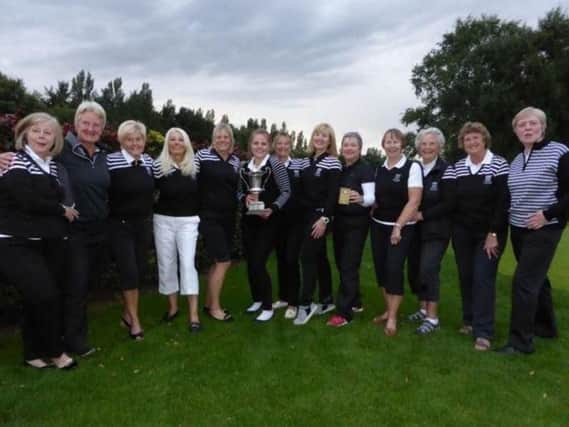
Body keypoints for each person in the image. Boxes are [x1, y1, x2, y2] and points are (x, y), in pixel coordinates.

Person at [0, 113, 78, 369]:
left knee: (36, 298)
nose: (42, 136)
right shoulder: (15, 161)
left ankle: (32, 353)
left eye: (48, 132)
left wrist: (62, 210)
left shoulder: (52, 165)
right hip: (15, 242)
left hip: (47, 241)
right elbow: (26, 200)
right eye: (36, 131)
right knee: (46, 296)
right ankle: (56, 352)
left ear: (55, 138)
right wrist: (61, 211)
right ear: (24, 134)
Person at [496, 107, 569, 354]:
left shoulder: (560, 152)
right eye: (522, 125)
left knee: (524, 282)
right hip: (518, 228)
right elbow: (510, 196)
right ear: (516, 131)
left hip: (545, 228)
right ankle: (546, 326)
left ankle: (520, 343)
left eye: (532, 124)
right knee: (539, 280)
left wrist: (548, 215)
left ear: (542, 127)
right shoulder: (516, 160)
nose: (527, 128)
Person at [443, 122, 509, 351]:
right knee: (466, 276)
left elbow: (503, 203)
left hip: (490, 233)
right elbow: (451, 201)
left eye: (475, 138)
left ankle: (484, 332)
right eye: (467, 139)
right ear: (463, 143)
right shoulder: (456, 168)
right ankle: (469, 320)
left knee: (483, 279)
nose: (471, 142)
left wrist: (493, 233)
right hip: (462, 232)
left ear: (484, 140)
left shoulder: (499, 164)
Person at [58, 101, 109, 356]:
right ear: (76, 124)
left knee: (83, 286)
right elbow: (31, 158)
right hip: (73, 230)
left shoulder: (102, 154)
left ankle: (68, 332)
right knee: (75, 287)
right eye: (86, 123)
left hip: (98, 230)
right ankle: (73, 342)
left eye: (96, 124)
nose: (90, 128)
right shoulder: (61, 150)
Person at [370, 129, 423, 336]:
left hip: (401, 227)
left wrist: (398, 226)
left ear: (403, 145)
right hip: (378, 225)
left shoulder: (412, 167)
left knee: (394, 268)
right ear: (383, 145)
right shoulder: (379, 169)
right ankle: (388, 310)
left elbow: (414, 200)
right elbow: (376, 197)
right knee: (381, 270)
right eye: (388, 142)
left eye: (395, 142)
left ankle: (392, 317)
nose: (391, 145)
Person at [107, 120, 155, 340]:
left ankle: (127, 313)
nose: (135, 143)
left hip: (143, 225)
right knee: (129, 273)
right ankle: (135, 323)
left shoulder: (148, 162)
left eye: (139, 139)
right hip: (120, 226)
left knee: (140, 270)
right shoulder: (111, 161)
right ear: (121, 141)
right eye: (129, 139)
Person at [153, 128, 201, 332]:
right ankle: (172, 308)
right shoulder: (158, 165)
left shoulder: (195, 165)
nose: (176, 143)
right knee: (166, 263)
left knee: (188, 264)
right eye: (172, 140)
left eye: (180, 139)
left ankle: (194, 315)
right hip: (163, 220)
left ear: (186, 142)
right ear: (167, 143)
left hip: (188, 221)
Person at [239, 129, 290, 322]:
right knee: (251, 262)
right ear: (250, 146)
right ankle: (257, 299)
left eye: (263, 143)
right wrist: (245, 198)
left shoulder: (275, 164)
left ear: (268, 146)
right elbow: (238, 192)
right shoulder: (244, 167)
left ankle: (268, 306)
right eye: (255, 143)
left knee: (259, 262)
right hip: (249, 220)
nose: (259, 147)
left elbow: (286, 191)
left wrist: (273, 208)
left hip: (269, 221)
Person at [294, 123, 341, 325]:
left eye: (324, 136)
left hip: (320, 217)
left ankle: (305, 304)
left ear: (329, 141)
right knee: (320, 257)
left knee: (307, 257)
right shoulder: (304, 162)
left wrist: (325, 219)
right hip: (304, 216)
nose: (320, 138)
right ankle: (327, 299)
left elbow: (333, 196)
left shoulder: (333, 163)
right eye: (317, 135)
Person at [407, 128, 452, 335]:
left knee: (429, 269)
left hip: (437, 230)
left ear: (439, 147)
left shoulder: (446, 170)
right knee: (416, 270)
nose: (427, 147)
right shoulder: (414, 168)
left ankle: (433, 318)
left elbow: (450, 203)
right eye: (423, 144)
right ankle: (423, 308)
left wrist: (423, 215)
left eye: (431, 144)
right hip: (415, 230)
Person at [326, 132, 374, 327]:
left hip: (357, 223)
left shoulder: (365, 169)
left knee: (348, 265)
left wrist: (361, 198)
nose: (348, 148)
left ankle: (344, 314)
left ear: (359, 148)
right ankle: (355, 301)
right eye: (346, 145)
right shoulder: (341, 167)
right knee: (341, 263)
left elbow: (371, 198)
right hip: (340, 222)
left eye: (353, 145)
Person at [195, 123, 240, 322]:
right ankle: (215, 308)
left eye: (226, 137)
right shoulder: (202, 156)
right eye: (219, 136)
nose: (223, 140)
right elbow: (191, 180)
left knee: (218, 261)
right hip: (208, 216)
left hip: (228, 217)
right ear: (213, 139)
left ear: (231, 140)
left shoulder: (236, 161)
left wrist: (246, 199)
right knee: (224, 261)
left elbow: (236, 189)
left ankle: (207, 303)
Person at [272, 132, 303, 319]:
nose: (283, 147)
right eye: (279, 144)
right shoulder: (271, 165)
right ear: (275, 146)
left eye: (286, 144)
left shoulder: (299, 165)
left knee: (291, 259)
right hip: (277, 220)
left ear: (290, 146)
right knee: (281, 259)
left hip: (296, 221)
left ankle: (293, 302)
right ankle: (283, 297)